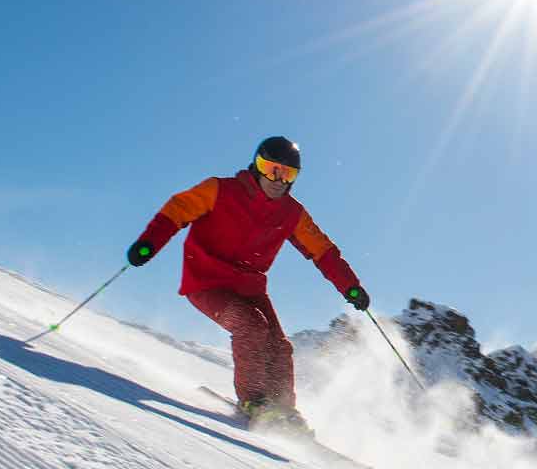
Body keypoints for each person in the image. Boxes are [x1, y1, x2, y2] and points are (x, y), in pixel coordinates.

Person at [127, 136, 369, 432]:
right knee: (251, 326)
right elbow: (178, 210)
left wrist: (350, 286)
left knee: (279, 346)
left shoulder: (292, 214)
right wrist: (148, 243)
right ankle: (253, 401)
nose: (278, 180)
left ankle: (283, 410)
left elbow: (323, 251)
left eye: (288, 174)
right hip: (206, 284)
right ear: (257, 165)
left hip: (250, 289)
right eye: (271, 169)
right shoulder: (219, 190)